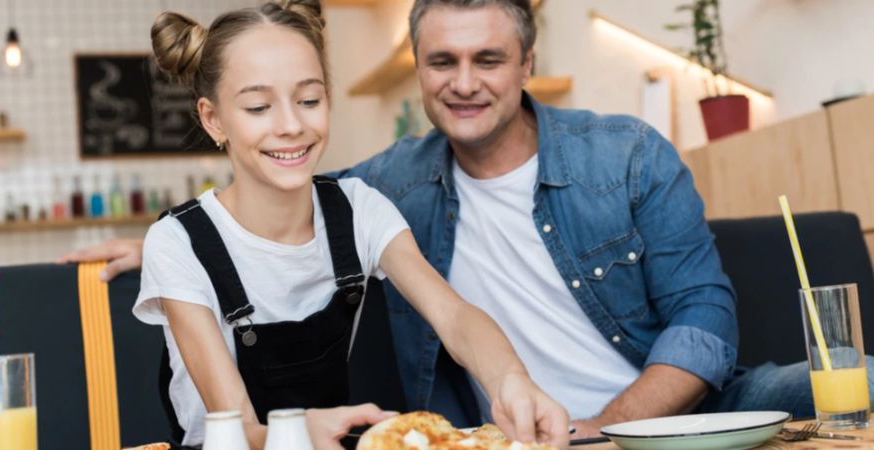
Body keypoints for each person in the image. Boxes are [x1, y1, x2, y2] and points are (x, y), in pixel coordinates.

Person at [61, 0, 874, 442]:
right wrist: (171, 245)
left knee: (849, 383)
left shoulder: (621, 154)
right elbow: (260, 216)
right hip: (285, 442)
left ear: (527, 61)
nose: (464, 83)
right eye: (442, 61)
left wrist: (530, 390)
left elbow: (457, 315)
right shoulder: (389, 181)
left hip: (670, 414)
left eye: (310, 100)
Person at [122, 2, 568, 450]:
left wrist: (511, 380)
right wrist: (299, 432)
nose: (292, 125)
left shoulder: (359, 210)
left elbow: (454, 316)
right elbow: (236, 426)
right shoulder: (179, 243)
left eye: (309, 100)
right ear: (213, 119)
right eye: (259, 107)